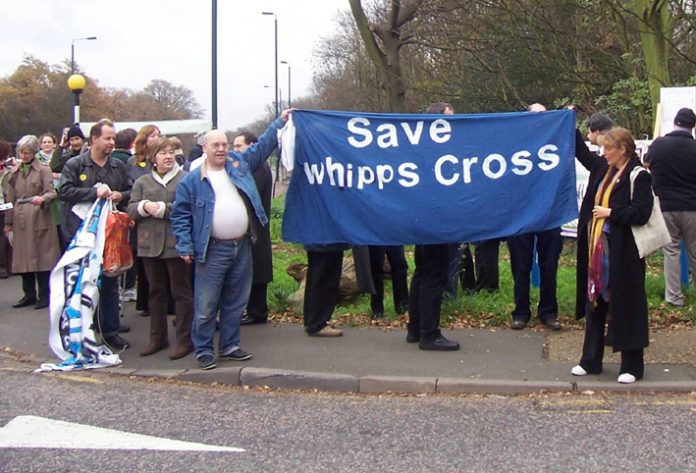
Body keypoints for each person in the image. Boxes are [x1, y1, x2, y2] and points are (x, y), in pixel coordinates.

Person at [171, 109, 291, 370]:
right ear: (204, 147)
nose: (222, 149)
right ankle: (203, 349)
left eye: (225, 144)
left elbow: (263, 147)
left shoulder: (238, 164)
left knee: (236, 301)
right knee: (206, 304)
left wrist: (279, 122)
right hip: (212, 249)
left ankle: (230, 345)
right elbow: (179, 215)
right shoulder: (192, 180)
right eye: (216, 145)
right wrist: (184, 244)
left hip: (242, 245)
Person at [572, 127, 652, 384]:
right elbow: (582, 153)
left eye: (608, 148)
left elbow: (641, 213)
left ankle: (632, 365)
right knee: (595, 302)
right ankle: (590, 360)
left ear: (623, 149)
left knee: (626, 305)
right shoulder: (604, 171)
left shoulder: (639, 176)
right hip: (599, 249)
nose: (603, 153)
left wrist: (611, 213)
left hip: (624, 252)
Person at [58, 118, 132, 351]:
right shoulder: (75, 164)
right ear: (94, 139)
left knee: (109, 282)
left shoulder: (119, 166)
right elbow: (64, 191)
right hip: (80, 234)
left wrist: (121, 195)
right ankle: (82, 329)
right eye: (107, 138)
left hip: (108, 235)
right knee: (83, 282)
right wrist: (93, 192)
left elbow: (131, 189)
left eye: (113, 138)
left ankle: (111, 331)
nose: (112, 142)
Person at [128, 137, 193, 359]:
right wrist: (143, 207)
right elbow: (129, 210)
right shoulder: (142, 183)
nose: (168, 156)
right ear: (153, 158)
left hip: (178, 245)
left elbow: (192, 207)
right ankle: (157, 338)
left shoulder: (185, 179)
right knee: (155, 292)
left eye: (171, 152)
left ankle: (185, 339)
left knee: (181, 293)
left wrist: (166, 209)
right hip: (149, 245)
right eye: (162, 153)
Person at [407, 102, 460, 351]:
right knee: (434, 275)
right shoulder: (437, 151)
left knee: (422, 273)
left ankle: (416, 329)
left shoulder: (420, 148)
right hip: (436, 220)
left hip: (422, 218)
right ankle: (430, 334)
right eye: (449, 119)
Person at [506, 103, 562, 331]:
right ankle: (521, 312)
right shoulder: (516, 143)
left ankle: (548, 312)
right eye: (536, 115)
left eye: (544, 115)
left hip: (549, 213)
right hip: (521, 214)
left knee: (549, 266)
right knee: (521, 267)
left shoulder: (556, 140)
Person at [644, 107, 696, 307]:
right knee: (695, 251)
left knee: (671, 251)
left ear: (675, 121)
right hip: (692, 206)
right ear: (693, 126)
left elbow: (646, 164)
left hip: (666, 206)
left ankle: (674, 297)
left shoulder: (659, 145)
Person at [3, 135, 60, 309]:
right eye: (21, 152)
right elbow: (10, 197)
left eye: (27, 152)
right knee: (22, 258)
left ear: (34, 152)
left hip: (39, 217)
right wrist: (8, 221)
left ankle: (45, 295)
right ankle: (28, 294)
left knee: (42, 258)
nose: (24, 155)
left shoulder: (43, 170)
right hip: (20, 219)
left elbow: (52, 191)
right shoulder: (15, 172)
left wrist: (42, 199)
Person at [573, 112, 614, 318]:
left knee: (604, 270)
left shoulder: (605, 162)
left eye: (589, 131)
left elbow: (583, 155)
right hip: (602, 223)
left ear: (597, 131)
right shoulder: (604, 161)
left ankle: (603, 310)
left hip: (604, 227)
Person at [232, 131, 274, 326]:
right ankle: (254, 309)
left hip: (255, 226)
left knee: (257, 268)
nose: (235, 150)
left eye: (239, 146)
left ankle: (257, 311)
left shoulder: (257, 168)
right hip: (252, 226)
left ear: (252, 146)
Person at [124, 125, 161, 309]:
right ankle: (145, 302)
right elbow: (129, 188)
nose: (156, 138)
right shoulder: (133, 162)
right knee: (143, 257)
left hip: (161, 212)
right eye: (153, 135)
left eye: (158, 135)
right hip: (141, 214)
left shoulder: (163, 159)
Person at [367, 245, 408, 318]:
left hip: (393, 236)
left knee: (400, 267)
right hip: (377, 237)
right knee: (376, 269)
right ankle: (377, 309)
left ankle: (403, 305)